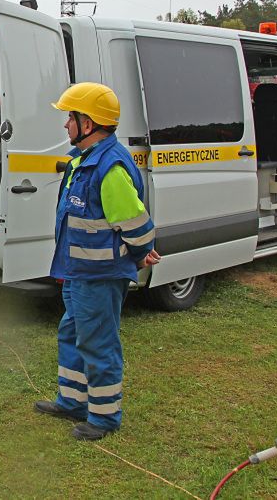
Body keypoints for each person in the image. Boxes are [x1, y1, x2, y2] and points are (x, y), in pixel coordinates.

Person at [33, 82, 160, 441]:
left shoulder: (110, 167)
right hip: (78, 271)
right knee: (72, 333)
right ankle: (72, 401)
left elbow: (135, 221)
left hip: (100, 275)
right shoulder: (84, 162)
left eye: (69, 117)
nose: (65, 125)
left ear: (87, 124)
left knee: (99, 342)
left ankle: (104, 417)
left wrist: (141, 250)